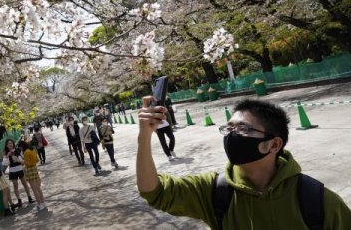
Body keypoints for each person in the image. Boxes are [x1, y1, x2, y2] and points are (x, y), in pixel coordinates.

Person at [136, 97, 351, 229]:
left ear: (274, 145)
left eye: (243, 129)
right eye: (229, 128)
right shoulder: (214, 192)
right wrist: (144, 137)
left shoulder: (317, 200)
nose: (232, 135)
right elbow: (155, 192)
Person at [4, 139, 35, 207]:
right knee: (15, 186)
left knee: (25, 184)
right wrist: (7, 156)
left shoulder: (18, 150)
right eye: (8, 144)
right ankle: (19, 200)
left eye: (11, 143)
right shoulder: (6, 153)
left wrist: (17, 158)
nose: (10, 144)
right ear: (6, 145)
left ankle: (29, 197)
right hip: (12, 171)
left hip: (20, 169)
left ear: (13, 144)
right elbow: (5, 164)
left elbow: (23, 160)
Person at [22, 139, 47, 212]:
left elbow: (27, 163)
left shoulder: (26, 152)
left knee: (34, 189)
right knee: (38, 188)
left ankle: (39, 204)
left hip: (29, 170)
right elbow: (37, 160)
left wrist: (21, 161)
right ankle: (43, 203)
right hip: (34, 169)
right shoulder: (32, 150)